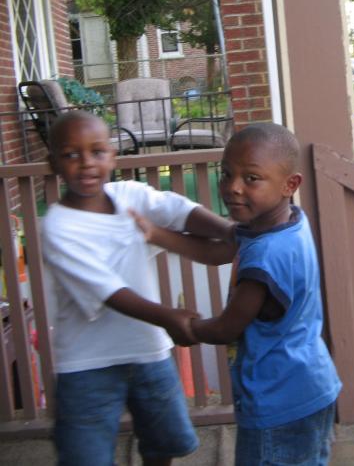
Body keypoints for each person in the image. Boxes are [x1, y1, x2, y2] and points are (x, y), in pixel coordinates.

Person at [132, 123, 342, 465]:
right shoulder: (285, 223)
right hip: (312, 385)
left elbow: (226, 328)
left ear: (290, 184)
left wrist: (184, 326)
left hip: (279, 401)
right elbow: (219, 249)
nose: (233, 187)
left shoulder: (266, 256)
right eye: (226, 174)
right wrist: (156, 234)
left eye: (251, 178)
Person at [41, 110, 235, 466]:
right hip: (85, 363)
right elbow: (107, 290)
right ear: (52, 162)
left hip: (147, 350)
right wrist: (169, 317)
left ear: (113, 155)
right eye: (70, 154)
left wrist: (231, 232)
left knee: (163, 444)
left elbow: (179, 211)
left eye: (97, 151)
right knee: (85, 457)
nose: (87, 163)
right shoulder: (58, 227)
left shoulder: (129, 196)